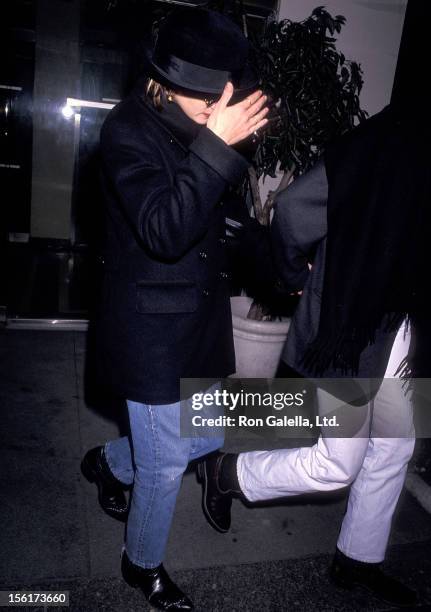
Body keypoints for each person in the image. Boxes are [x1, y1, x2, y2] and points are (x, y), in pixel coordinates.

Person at [199, 104, 430, 607]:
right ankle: (227, 473)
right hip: (349, 329)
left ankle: (356, 561)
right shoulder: (390, 138)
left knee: (394, 449)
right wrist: (297, 278)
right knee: (337, 465)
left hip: (405, 332)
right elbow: (296, 206)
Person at [80, 8, 268, 611]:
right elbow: (164, 229)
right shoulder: (126, 132)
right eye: (208, 100)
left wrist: (282, 264)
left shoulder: (192, 123)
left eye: (224, 100)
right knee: (162, 469)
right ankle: (142, 566)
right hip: (150, 330)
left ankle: (112, 462)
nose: (218, 112)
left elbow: (221, 219)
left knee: (206, 432)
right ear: (170, 82)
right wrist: (216, 145)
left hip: (199, 319)